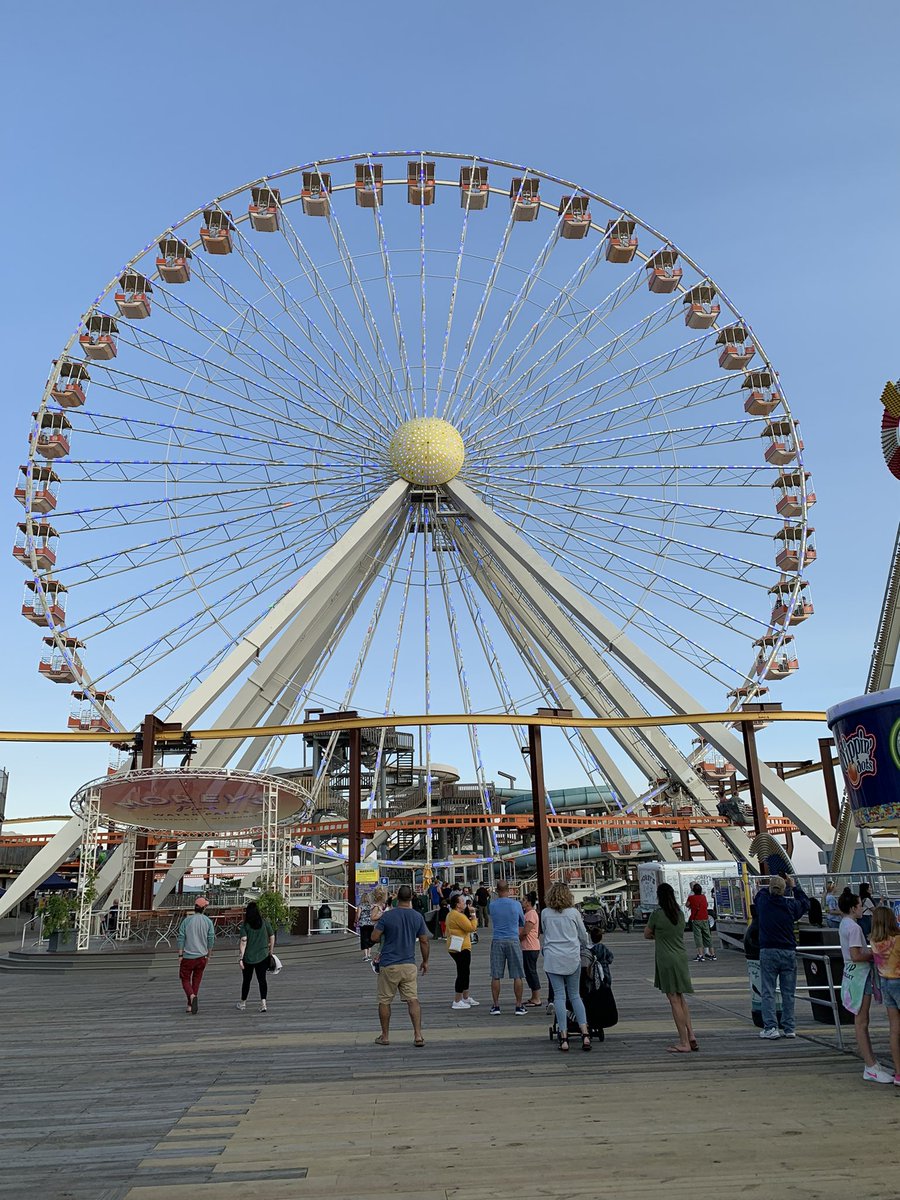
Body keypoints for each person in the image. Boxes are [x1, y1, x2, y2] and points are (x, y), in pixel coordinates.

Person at [839, 894, 893, 1083]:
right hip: (860, 977)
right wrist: (875, 953)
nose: (862, 908)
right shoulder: (854, 928)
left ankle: (872, 1063)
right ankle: (870, 1066)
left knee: (861, 1020)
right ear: (853, 908)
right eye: (860, 905)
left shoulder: (844, 924)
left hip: (853, 975)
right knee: (862, 1021)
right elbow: (856, 955)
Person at [370, 884, 429, 1046]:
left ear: (397, 898)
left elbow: (374, 937)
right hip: (409, 964)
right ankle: (418, 1035)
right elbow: (424, 941)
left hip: (389, 964)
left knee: (385, 1000)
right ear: (411, 898)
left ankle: (385, 1036)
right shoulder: (417, 917)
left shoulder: (388, 916)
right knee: (413, 1000)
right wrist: (425, 961)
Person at [645, 882, 697, 1053]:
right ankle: (691, 1035)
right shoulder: (679, 913)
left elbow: (647, 933)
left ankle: (683, 1042)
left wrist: (657, 935)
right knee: (681, 998)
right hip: (681, 957)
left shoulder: (657, 915)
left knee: (673, 1000)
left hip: (666, 959)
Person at [540, 882, 592, 1051]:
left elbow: (545, 932)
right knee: (575, 995)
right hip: (571, 957)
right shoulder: (574, 913)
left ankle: (563, 1035)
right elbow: (583, 936)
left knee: (559, 997)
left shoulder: (545, 913)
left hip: (553, 958)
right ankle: (585, 1032)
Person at [755, 874, 808, 1041]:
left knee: (768, 991)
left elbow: (759, 895)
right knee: (788, 992)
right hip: (788, 950)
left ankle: (770, 1027)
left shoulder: (763, 903)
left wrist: (766, 885)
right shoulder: (790, 905)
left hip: (768, 950)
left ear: (770, 889)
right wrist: (794, 886)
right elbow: (805, 903)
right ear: (785, 890)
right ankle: (789, 1027)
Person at [870, 905, 900, 1085]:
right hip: (898, 980)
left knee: (894, 1030)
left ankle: (898, 1072)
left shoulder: (874, 941)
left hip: (885, 984)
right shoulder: (897, 939)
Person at [488, 879, 527, 1016]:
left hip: (498, 939)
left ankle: (496, 1005)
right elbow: (522, 921)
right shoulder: (516, 904)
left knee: (496, 975)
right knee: (517, 975)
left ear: (497, 890)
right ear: (509, 890)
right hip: (513, 939)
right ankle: (518, 1005)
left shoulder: (492, 905)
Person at [177, 896, 215, 1015]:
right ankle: (190, 1003)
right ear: (204, 908)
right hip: (202, 956)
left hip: (188, 956)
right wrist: (209, 955)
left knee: (185, 979)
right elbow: (211, 939)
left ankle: (191, 997)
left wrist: (180, 954)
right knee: (196, 980)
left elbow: (181, 938)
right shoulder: (208, 922)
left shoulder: (187, 921)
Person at [236, 900, 275, 1013]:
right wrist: (271, 952)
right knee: (262, 980)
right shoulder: (264, 922)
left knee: (246, 981)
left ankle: (243, 1003)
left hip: (248, 958)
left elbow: (244, 941)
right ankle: (263, 1003)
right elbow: (272, 936)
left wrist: (241, 958)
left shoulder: (245, 926)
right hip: (263, 956)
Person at [446, 894, 479, 1009]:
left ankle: (465, 997)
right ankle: (457, 1000)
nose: (464, 903)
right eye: (462, 901)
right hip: (461, 947)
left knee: (465, 972)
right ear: (457, 904)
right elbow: (471, 928)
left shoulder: (451, 914)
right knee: (462, 973)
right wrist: (474, 915)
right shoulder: (457, 915)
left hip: (456, 945)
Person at [520, 892, 542, 1007]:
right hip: (529, 946)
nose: (522, 902)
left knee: (531, 972)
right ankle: (534, 996)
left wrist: (517, 939)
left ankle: (537, 997)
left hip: (531, 947)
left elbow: (525, 931)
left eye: (524, 900)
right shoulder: (529, 913)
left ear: (528, 902)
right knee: (529, 972)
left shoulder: (531, 914)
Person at [685, 882, 715, 963]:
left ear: (693, 890)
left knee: (698, 937)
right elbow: (706, 904)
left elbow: (687, 905)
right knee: (707, 936)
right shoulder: (704, 897)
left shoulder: (691, 898)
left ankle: (700, 955)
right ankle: (712, 954)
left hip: (696, 919)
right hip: (705, 918)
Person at [369, 888, 387, 973]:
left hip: (383, 927)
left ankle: (379, 960)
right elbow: (372, 917)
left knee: (385, 941)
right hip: (379, 927)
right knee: (383, 942)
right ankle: (376, 960)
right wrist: (381, 915)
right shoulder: (376, 907)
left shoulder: (382, 905)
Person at [357, 891, 375, 963]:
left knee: (364, 938)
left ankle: (366, 955)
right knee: (370, 938)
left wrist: (356, 921)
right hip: (371, 923)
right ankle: (369, 953)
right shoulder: (371, 906)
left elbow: (358, 915)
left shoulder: (360, 906)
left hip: (363, 924)